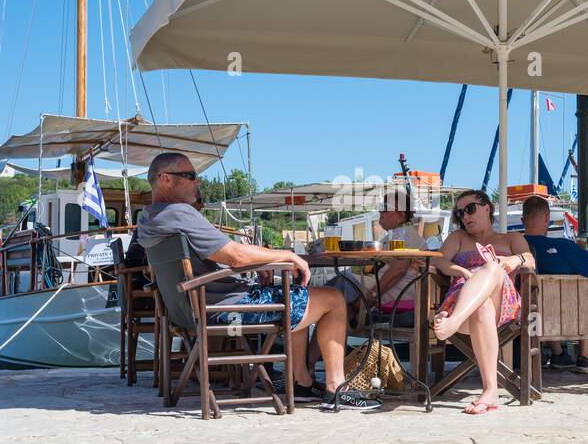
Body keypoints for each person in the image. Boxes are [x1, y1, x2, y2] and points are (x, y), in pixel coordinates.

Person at [138, 151, 380, 410]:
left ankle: (301, 381)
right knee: (333, 299)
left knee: (298, 293)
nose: (197, 181)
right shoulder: (179, 213)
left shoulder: (148, 217)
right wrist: (286, 255)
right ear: (165, 179)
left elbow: (222, 256)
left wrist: (259, 262)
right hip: (227, 309)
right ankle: (337, 388)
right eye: (190, 175)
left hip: (191, 312)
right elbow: (235, 255)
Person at [433, 189, 534, 415]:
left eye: (470, 209)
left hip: (502, 305)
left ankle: (451, 321)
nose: (465, 216)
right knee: (482, 307)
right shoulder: (458, 238)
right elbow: (439, 262)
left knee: (493, 267)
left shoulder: (511, 238)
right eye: (460, 213)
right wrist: (463, 271)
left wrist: (513, 260)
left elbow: (530, 260)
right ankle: (490, 390)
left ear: (487, 207)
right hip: (464, 302)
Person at [520, 195, 588, 373]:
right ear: (547, 217)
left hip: (529, 319)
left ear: (523, 220)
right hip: (570, 319)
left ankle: (558, 353)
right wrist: (585, 254)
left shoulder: (515, 248)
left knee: (539, 297)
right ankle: (584, 355)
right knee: (586, 286)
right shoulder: (563, 246)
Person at [362, 188, 427, 323]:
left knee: (341, 289)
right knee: (340, 288)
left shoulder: (406, 235)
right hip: (387, 289)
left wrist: (373, 295)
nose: (380, 212)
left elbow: (398, 271)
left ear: (401, 215)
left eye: (385, 208)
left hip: (398, 293)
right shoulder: (392, 236)